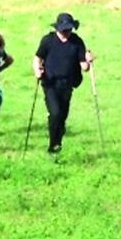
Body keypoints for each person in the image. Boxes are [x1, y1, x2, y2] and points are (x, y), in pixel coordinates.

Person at [33, 13, 95, 154]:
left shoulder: (77, 42)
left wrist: (88, 60)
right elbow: (37, 58)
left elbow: (84, 67)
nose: (67, 33)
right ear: (58, 29)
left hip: (67, 84)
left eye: (69, 30)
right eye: (64, 30)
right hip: (50, 83)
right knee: (55, 113)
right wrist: (37, 70)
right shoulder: (48, 41)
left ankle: (58, 141)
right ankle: (53, 145)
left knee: (62, 116)